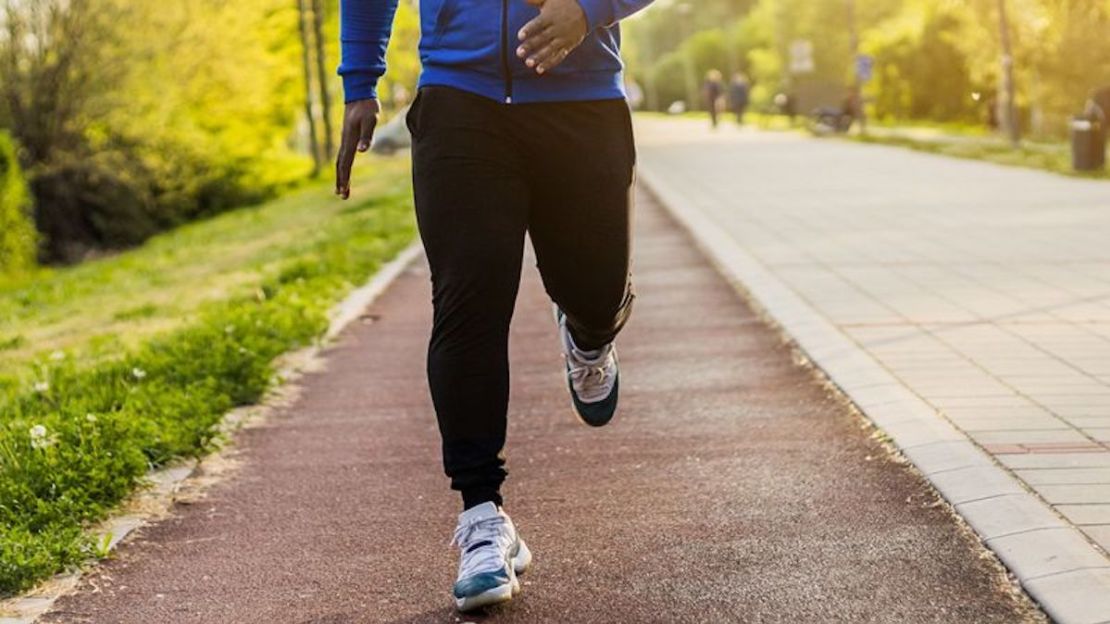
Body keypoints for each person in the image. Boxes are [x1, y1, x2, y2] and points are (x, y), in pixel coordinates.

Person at [335, 0, 651, 613]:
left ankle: (589, 333)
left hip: (581, 100)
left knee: (596, 287)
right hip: (460, 98)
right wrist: (359, 82)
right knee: (467, 304)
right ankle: (483, 517)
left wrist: (591, 11)